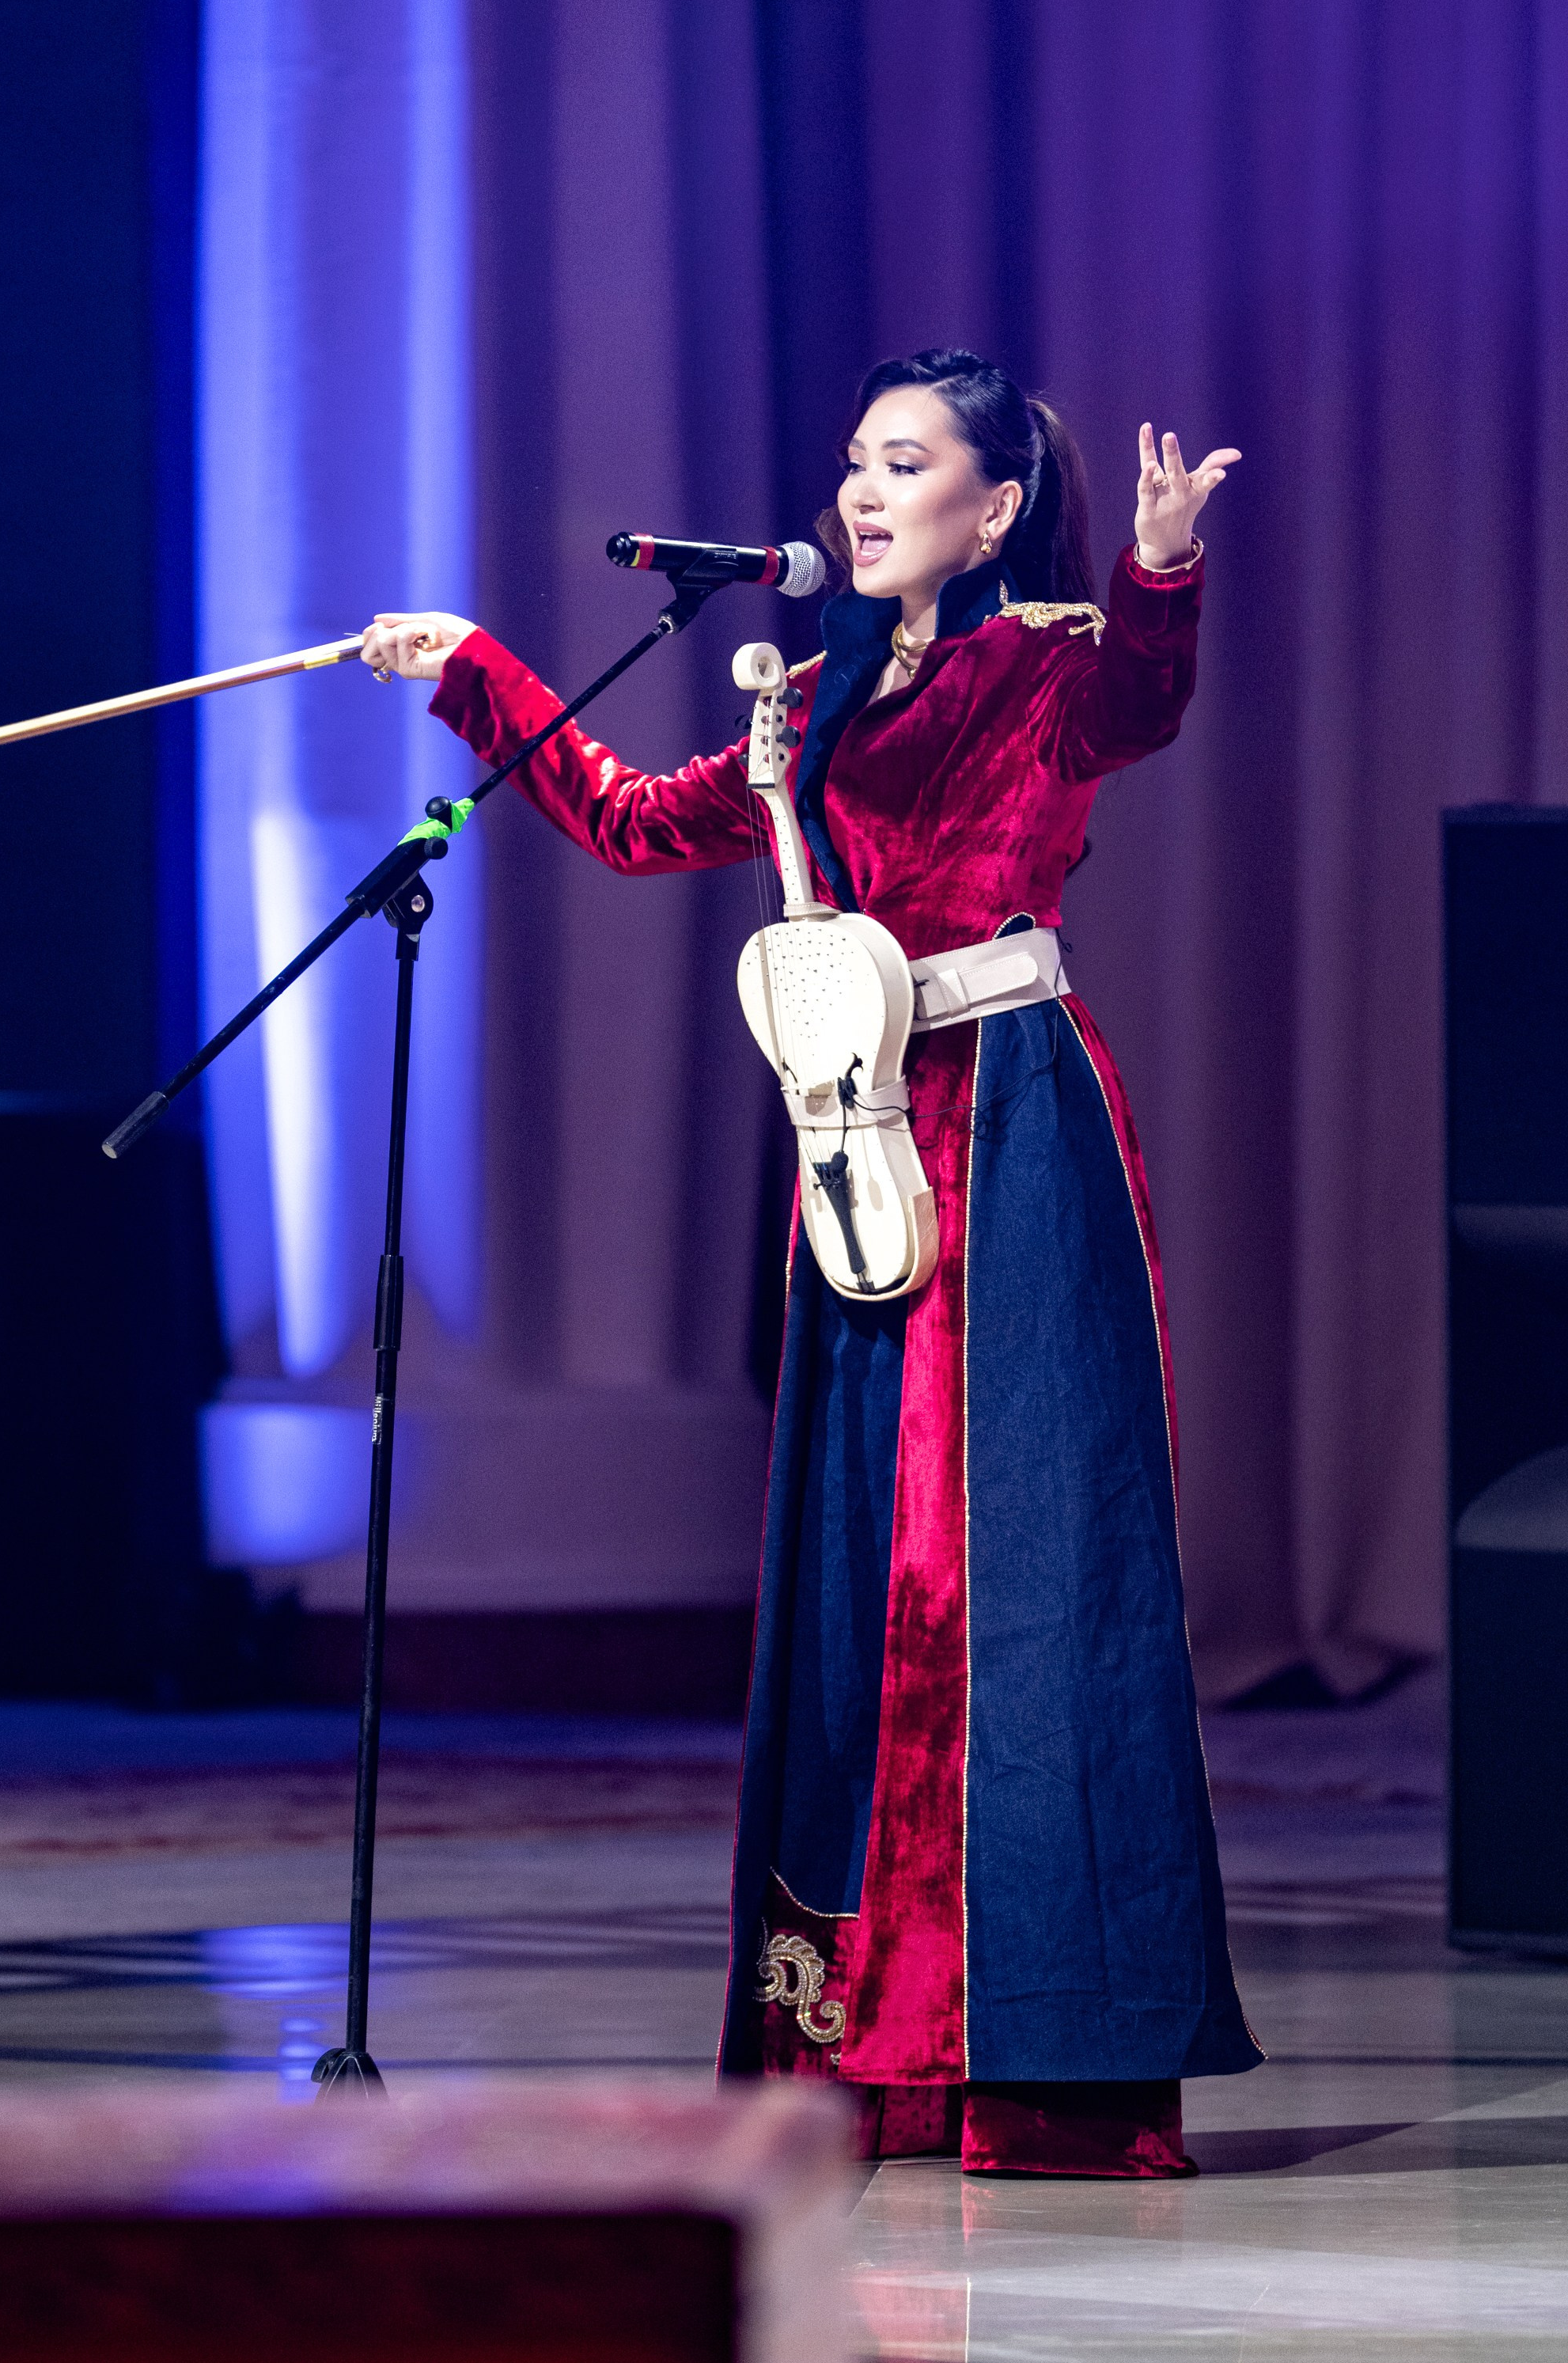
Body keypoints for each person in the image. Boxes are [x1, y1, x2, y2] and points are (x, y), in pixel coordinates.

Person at [361, 347, 1260, 2175]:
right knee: (867, 1578)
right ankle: (872, 2041)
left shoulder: (1048, 663)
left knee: (1011, 1573)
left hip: (1010, 1130)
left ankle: (1041, 2056)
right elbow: (623, 819)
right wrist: (473, 669)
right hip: (857, 1149)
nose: (860, 491)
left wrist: (1164, 566)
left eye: (905, 463)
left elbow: (1144, 705)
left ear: (993, 510)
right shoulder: (818, 698)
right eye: (853, 461)